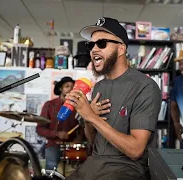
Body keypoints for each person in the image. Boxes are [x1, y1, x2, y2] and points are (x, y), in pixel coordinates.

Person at [65, 17, 162, 180]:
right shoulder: (99, 86)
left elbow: (136, 149)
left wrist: (91, 116)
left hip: (126, 170)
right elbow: (94, 141)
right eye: (91, 45)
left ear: (121, 49)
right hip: (94, 167)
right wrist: (89, 120)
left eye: (101, 43)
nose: (94, 49)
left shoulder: (145, 87)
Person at [36, 76, 84, 170]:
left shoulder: (78, 107)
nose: (70, 89)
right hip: (54, 145)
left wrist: (80, 138)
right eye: (67, 86)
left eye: (72, 87)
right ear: (60, 88)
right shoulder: (49, 105)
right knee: (51, 168)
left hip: (72, 147)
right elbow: (40, 129)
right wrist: (57, 133)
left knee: (76, 171)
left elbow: (81, 127)